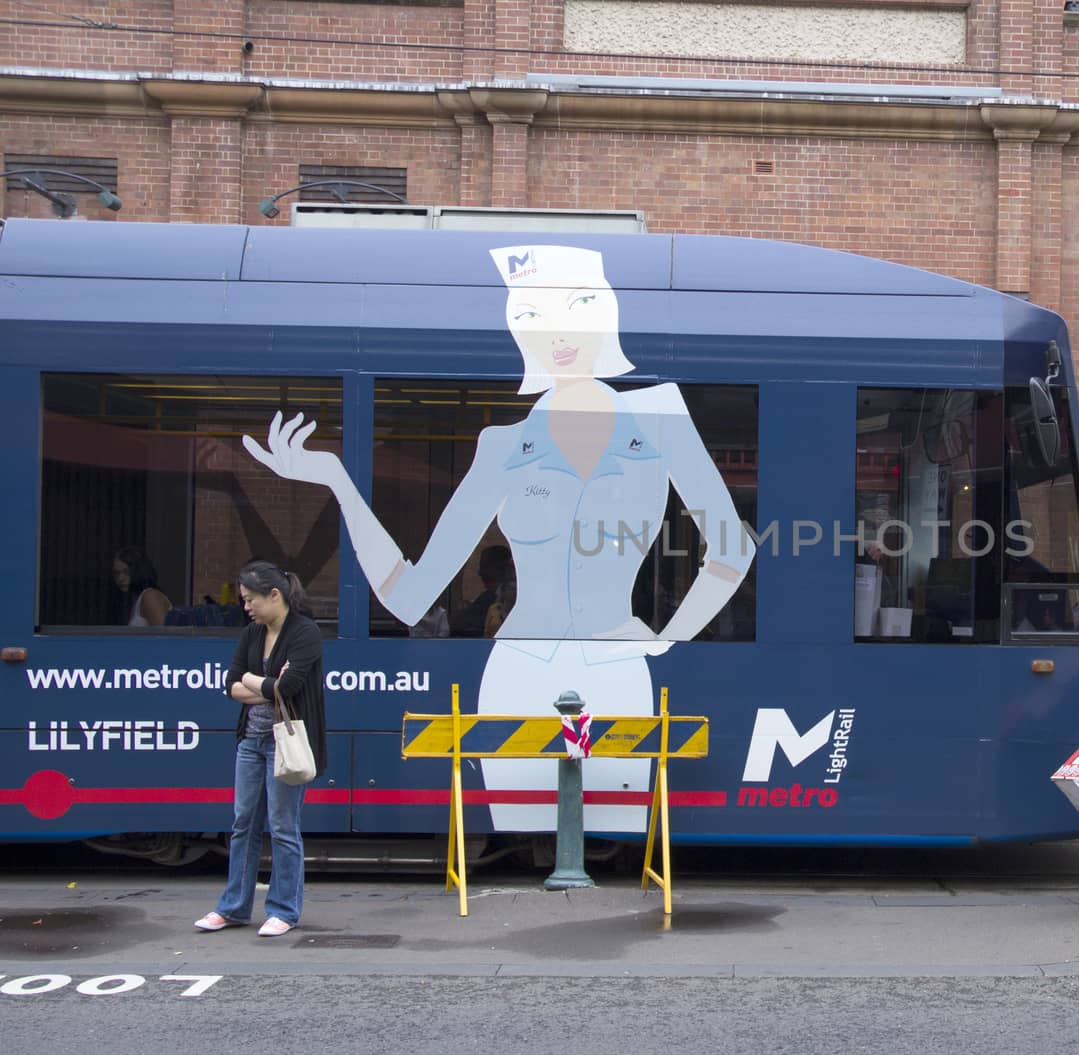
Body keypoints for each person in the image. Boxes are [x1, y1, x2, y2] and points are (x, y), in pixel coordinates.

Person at [243, 244, 751, 834]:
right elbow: (409, 596)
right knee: (521, 824)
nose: (556, 332)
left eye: (575, 306)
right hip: (518, 674)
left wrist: (665, 639)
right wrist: (337, 479)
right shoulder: (502, 446)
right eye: (532, 316)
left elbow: (732, 547)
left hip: (619, 668)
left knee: (623, 831)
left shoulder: (661, 415)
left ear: (603, 311)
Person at [195, 561, 327, 936]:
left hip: (284, 744)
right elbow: (230, 686)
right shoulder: (252, 634)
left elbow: (284, 689)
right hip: (250, 743)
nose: (246, 607)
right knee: (243, 824)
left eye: (251, 599)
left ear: (275, 595)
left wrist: (253, 681)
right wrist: (264, 684)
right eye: (243, 600)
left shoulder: (306, 633)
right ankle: (233, 908)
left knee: (283, 826)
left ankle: (283, 911)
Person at [455, 543, 512, 637]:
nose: (480, 573)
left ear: (500, 569)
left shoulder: (493, 598)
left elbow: (461, 622)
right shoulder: (488, 597)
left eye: (485, 566)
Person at [111, 547, 172, 627]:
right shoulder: (133, 601)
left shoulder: (150, 596)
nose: (120, 578)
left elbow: (166, 635)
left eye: (126, 572)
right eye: (116, 573)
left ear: (139, 570)